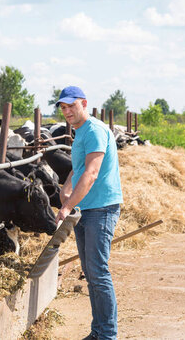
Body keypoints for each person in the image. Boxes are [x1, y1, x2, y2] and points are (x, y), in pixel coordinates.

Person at [55, 86, 123, 340]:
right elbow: (80, 169)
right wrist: (67, 189)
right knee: (91, 271)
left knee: (98, 271)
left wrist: (67, 206)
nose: (67, 111)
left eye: (71, 106)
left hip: (101, 208)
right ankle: (98, 332)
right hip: (87, 208)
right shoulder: (81, 131)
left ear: (84, 103)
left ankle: (107, 334)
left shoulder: (93, 130)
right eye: (63, 107)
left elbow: (92, 173)